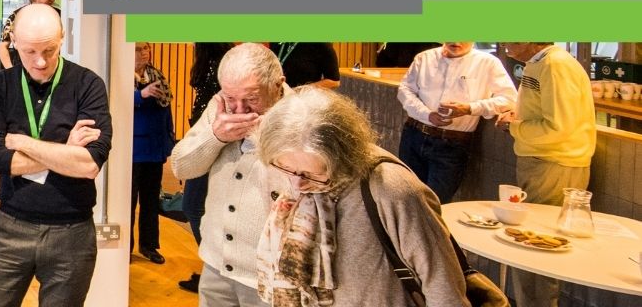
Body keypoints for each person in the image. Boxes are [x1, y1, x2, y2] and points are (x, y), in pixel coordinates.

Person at [254, 88, 467, 306]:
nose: (297, 184)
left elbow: (443, 285)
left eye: (313, 174)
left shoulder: (391, 188)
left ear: (341, 156)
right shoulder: (274, 166)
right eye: (287, 169)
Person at [0, 5, 112, 306]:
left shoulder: (88, 84)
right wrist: (67, 149)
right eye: (29, 52)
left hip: (72, 233)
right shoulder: (0, 85)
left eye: (49, 50)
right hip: (10, 225)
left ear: (63, 38)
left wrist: (23, 142)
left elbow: (89, 164)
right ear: (13, 43)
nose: (40, 62)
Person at [170, 43, 293, 307]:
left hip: (270, 275)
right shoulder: (219, 109)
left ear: (277, 85)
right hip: (215, 265)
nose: (238, 110)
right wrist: (215, 136)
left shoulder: (299, 119)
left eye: (251, 99)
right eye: (230, 98)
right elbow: (180, 167)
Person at [496, 42, 596, 307]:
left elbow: (560, 127)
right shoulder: (540, 63)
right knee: (527, 247)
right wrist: (515, 118)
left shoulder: (555, 65)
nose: (503, 41)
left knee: (539, 248)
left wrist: (515, 127)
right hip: (541, 162)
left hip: (554, 165)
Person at [397, 42, 517, 202]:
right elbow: (405, 90)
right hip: (414, 135)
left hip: (452, 144)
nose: (456, 41)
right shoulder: (425, 57)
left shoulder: (488, 62)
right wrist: (427, 114)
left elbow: (509, 99)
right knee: (404, 197)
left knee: (436, 203)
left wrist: (470, 108)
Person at [178, 42, 234, 292]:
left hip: (216, 143)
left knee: (193, 205)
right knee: (195, 206)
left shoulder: (221, 64)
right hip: (205, 139)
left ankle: (215, 266)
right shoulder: (209, 59)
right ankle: (212, 266)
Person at [131, 42, 174, 265]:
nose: (144, 52)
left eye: (146, 48)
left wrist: (167, 143)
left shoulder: (157, 75)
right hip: (133, 150)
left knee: (150, 201)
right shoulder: (122, 74)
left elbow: (166, 111)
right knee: (128, 202)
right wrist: (141, 95)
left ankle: (149, 246)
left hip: (154, 149)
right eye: (138, 49)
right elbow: (115, 102)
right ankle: (125, 249)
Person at [0, 0, 59, 70]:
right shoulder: (17, 16)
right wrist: (10, 70)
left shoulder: (58, 15)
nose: (52, 0)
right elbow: (3, 46)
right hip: (23, 69)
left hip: (51, 68)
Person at [270, 42, 340, 89]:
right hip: (275, 99)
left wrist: (298, 91)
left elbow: (334, 82)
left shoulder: (321, 43)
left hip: (304, 102)